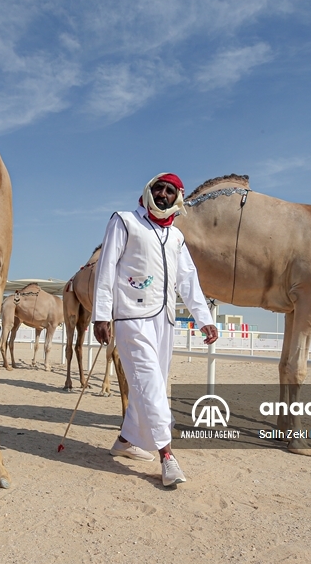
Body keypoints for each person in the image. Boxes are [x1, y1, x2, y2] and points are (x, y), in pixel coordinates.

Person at [93, 172, 219, 487]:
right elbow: (106, 267)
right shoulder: (125, 222)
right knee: (150, 383)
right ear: (148, 191)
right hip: (131, 318)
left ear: (178, 198)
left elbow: (187, 280)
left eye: (170, 190)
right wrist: (100, 315)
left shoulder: (175, 237)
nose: (162, 194)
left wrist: (204, 319)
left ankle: (125, 441)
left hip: (164, 320)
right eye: (157, 188)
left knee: (150, 384)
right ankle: (167, 456)